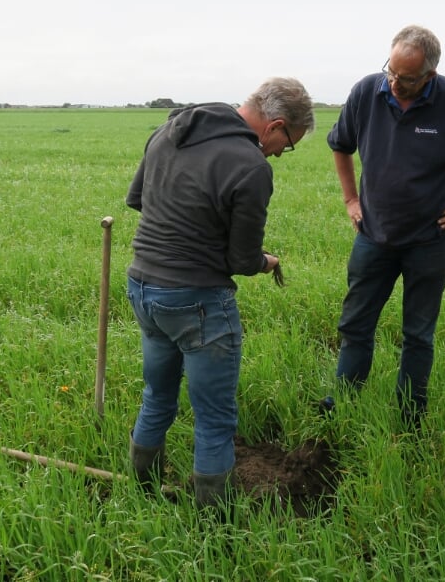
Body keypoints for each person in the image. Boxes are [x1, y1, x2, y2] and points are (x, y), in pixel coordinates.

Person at [125, 77, 314, 511]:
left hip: (144, 288)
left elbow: (139, 201)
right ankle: (214, 524)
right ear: (275, 125)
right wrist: (267, 262)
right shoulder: (250, 166)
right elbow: (241, 259)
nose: (279, 154)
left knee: (157, 395)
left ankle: (140, 491)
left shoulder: (170, 131)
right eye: (287, 146)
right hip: (198, 303)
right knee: (215, 421)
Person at [325, 25, 445, 428]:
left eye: (408, 78)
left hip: (430, 242)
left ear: (430, 75)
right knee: (356, 323)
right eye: (392, 73)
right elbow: (340, 145)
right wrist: (351, 199)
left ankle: (409, 416)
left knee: (418, 333)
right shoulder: (367, 92)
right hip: (374, 237)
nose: (396, 84)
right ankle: (345, 402)